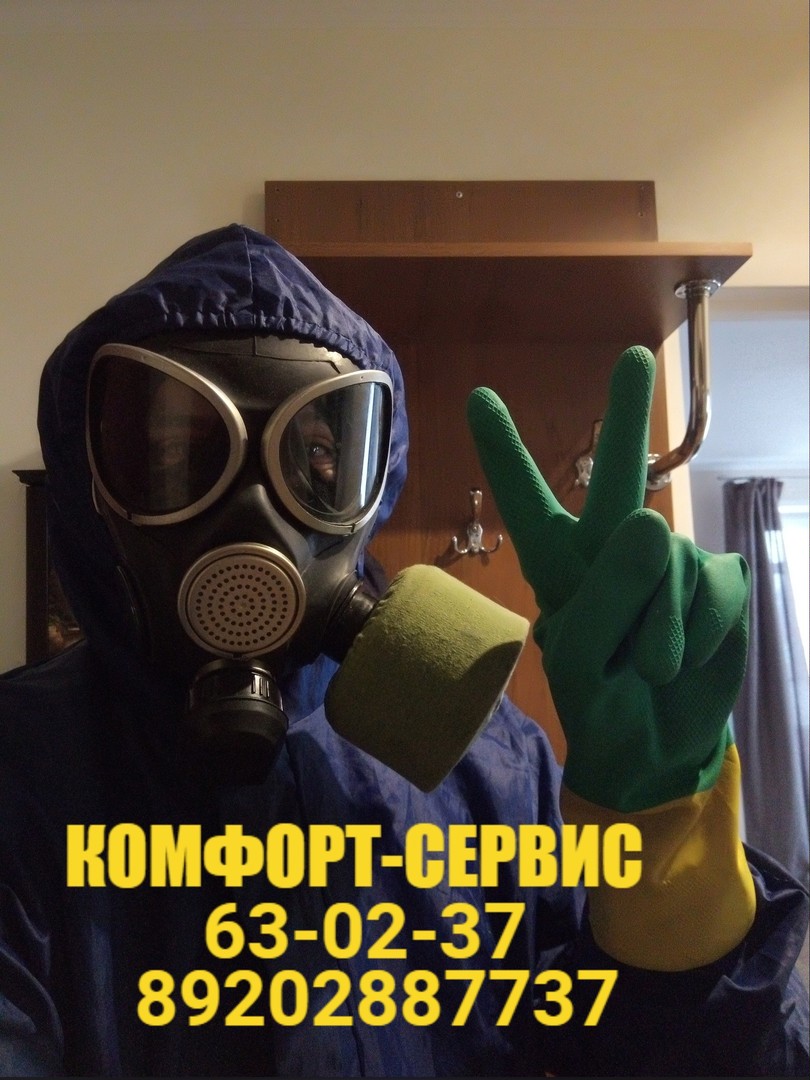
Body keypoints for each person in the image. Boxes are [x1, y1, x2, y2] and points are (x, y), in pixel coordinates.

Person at [0, 224, 807, 1077]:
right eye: (175, 454)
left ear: (372, 490)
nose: (251, 515)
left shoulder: (488, 766)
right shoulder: (21, 769)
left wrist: (668, 851)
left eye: (315, 454)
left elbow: (643, 1050)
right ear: (95, 491)